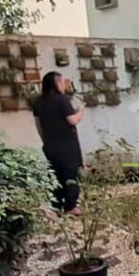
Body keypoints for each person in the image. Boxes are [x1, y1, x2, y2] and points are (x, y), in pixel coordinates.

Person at [33, 71, 85, 211]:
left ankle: (56, 204)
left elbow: (38, 125)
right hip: (67, 145)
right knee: (70, 174)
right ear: (56, 83)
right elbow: (72, 120)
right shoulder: (62, 100)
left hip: (50, 145)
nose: (64, 85)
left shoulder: (38, 102)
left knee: (55, 175)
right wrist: (80, 112)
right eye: (62, 82)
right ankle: (71, 205)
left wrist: (46, 140)